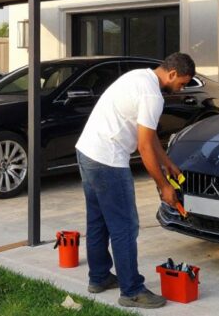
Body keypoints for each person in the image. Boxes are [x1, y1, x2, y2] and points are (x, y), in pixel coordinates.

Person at [74, 52, 194, 309]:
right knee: (125, 226)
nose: (180, 88)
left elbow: (148, 138)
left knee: (98, 220)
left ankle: (99, 277)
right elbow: (144, 146)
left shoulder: (140, 76)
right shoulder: (152, 95)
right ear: (172, 73)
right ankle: (131, 290)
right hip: (108, 160)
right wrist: (163, 186)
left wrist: (167, 163)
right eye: (182, 83)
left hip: (87, 151)